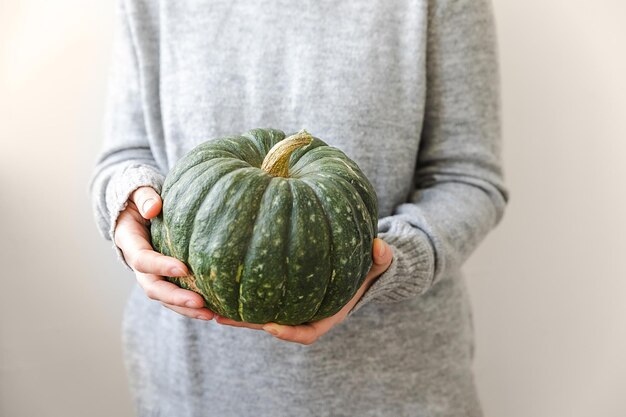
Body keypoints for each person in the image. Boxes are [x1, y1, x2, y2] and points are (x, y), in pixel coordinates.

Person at [90, 0, 508, 416]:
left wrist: (392, 259)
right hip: (193, 382)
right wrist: (131, 204)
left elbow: (468, 178)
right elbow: (126, 154)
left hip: (388, 390)